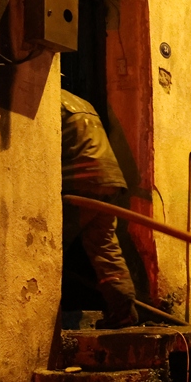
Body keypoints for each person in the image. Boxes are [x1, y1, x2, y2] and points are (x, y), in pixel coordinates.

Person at [60, 89, 138, 328]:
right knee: (104, 248)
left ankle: (45, 321)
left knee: (46, 246)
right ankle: (124, 312)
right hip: (108, 181)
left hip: (79, 182)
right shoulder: (82, 101)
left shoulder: (48, 102)